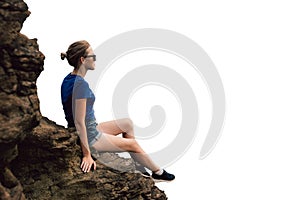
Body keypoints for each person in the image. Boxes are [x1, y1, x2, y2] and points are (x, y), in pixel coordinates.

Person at [60, 40, 175, 182]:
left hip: (89, 127)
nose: (95, 59)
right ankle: (158, 173)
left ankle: (139, 165)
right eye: (92, 56)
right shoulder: (80, 85)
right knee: (132, 145)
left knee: (127, 123)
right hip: (89, 136)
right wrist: (86, 155)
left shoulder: (69, 79)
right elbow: (79, 122)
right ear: (83, 60)